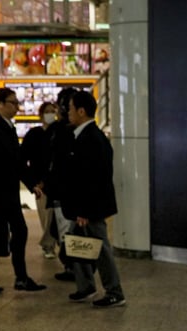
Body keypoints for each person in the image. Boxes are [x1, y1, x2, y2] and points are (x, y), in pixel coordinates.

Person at [0, 86, 46, 294]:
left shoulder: (8, 128)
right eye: (13, 102)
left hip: (9, 194)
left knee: (19, 231)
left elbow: (17, 162)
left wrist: (32, 184)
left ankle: (20, 277)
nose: (17, 107)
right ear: (0, 105)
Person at [59, 90, 126, 308]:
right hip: (83, 205)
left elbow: (94, 178)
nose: (67, 112)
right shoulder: (81, 136)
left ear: (81, 111)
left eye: (70, 108)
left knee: (100, 248)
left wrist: (85, 211)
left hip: (91, 207)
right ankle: (86, 285)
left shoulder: (93, 139)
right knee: (78, 244)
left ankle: (114, 291)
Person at [42, 86, 80, 283]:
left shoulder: (64, 131)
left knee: (67, 229)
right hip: (61, 189)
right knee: (64, 229)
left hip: (64, 190)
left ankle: (74, 267)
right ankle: (72, 266)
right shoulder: (61, 130)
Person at [21, 101, 59, 259]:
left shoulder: (59, 132)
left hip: (56, 182)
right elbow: (23, 158)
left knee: (54, 216)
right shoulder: (34, 134)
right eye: (47, 111)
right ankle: (48, 246)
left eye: (53, 111)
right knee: (45, 215)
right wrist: (33, 181)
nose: (50, 114)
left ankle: (49, 244)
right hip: (39, 184)